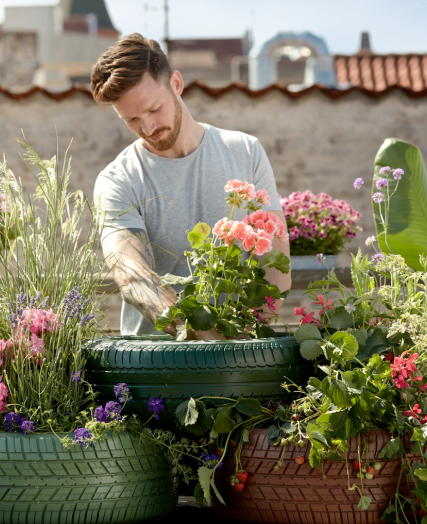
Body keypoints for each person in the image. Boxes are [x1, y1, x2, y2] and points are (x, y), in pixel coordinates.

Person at [91, 33, 290, 338]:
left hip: (241, 362)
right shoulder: (117, 179)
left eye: (154, 109)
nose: (147, 127)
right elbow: (132, 275)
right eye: (131, 119)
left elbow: (276, 268)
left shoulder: (246, 152)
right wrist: (204, 339)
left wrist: (245, 340)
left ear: (176, 84)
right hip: (153, 368)